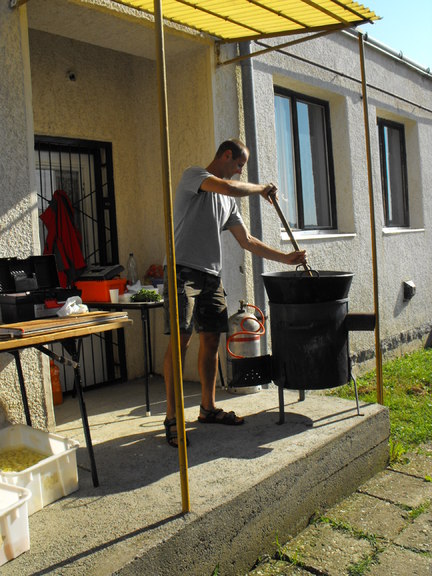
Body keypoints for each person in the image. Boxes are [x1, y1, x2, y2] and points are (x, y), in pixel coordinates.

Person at [163, 138, 307, 447]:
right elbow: (229, 187)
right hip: (182, 271)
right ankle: (172, 418)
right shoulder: (195, 176)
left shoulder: (228, 202)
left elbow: (247, 240)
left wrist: (285, 258)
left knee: (211, 340)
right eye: (240, 164)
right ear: (226, 155)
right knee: (181, 341)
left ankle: (207, 408)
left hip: (211, 276)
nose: (241, 171)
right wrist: (261, 189)